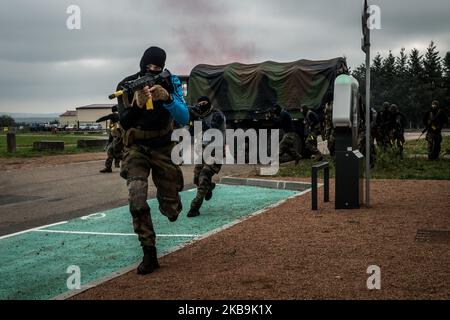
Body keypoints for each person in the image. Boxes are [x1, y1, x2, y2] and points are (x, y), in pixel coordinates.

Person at [117, 46, 189, 275]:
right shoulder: (125, 85)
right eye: (149, 66)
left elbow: (184, 116)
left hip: (163, 146)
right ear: (142, 64)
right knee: (137, 196)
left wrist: (167, 99)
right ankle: (149, 252)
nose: (153, 70)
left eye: (158, 67)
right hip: (136, 146)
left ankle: (170, 201)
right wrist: (136, 105)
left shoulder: (171, 81)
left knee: (172, 210)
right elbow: (125, 122)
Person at [187, 96, 226, 218]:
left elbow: (211, 130)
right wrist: (191, 120)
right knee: (196, 178)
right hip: (205, 151)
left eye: (203, 103)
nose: (201, 106)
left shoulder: (217, 115)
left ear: (209, 104)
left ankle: (194, 207)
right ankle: (209, 188)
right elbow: (192, 132)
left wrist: (198, 117)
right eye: (199, 104)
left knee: (203, 177)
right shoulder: (201, 116)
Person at [100, 106, 124, 173]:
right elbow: (112, 130)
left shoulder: (118, 117)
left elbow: (118, 129)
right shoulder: (114, 118)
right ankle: (108, 167)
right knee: (111, 151)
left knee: (115, 152)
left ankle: (130, 160)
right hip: (116, 137)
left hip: (119, 138)